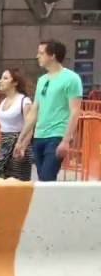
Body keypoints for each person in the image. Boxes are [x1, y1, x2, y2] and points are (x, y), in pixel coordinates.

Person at [15, 39, 83, 182]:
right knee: (43, 180)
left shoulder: (72, 79)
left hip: (56, 135)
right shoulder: (42, 80)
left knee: (47, 178)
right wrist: (21, 139)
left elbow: (75, 111)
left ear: (52, 55)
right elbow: (34, 111)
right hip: (39, 136)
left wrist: (66, 140)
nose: (37, 56)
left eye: (41, 53)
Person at [0, 69, 32, 181]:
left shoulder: (24, 101)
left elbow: (29, 127)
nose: (0, 81)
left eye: (5, 78)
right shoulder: (3, 101)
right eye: (1, 78)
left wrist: (23, 146)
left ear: (15, 82)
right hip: (4, 143)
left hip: (18, 142)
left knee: (17, 180)